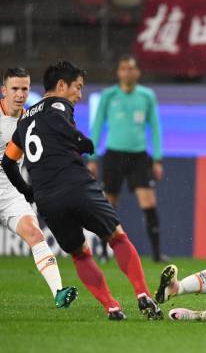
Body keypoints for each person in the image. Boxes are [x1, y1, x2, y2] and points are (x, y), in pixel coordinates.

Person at [1, 60, 162, 321]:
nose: (79, 94)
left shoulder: (23, 121)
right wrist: (81, 141)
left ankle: (111, 306)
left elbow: (8, 162)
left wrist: (28, 192)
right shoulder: (57, 103)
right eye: (77, 87)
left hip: (46, 199)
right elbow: (58, 121)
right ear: (61, 85)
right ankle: (143, 294)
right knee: (117, 237)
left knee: (78, 253)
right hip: (76, 184)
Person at [0, 67, 77, 308]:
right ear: (4, 91)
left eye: (24, 88)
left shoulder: (29, 121)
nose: (20, 94)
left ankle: (58, 292)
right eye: (15, 88)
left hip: (10, 192)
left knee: (35, 233)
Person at [87, 54, 165, 263]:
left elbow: (155, 126)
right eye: (123, 68)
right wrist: (92, 156)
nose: (127, 72)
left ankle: (157, 254)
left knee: (148, 202)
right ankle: (103, 252)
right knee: (109, 204)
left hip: (139, 156)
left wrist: (157, 158)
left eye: (131, 68)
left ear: (137, 72)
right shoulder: (108, 95)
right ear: (118, 72)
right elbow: (97, 126)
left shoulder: (147, 96)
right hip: (113, 155)